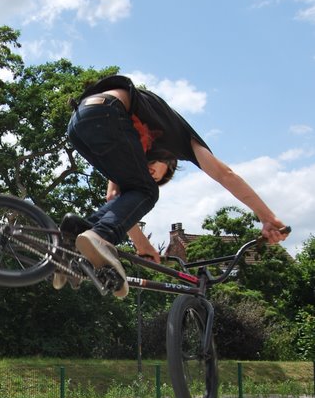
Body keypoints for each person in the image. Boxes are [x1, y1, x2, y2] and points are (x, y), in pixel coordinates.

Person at [54, 73, 289, 297]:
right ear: (170, 162)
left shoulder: (127, 144)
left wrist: (142, 243)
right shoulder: (182, 139)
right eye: (158, 173)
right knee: (146, 191)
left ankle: (72, 234)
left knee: (137, 191)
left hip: (78, 125)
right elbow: (224, 174)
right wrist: (267, 216)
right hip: (105, 111)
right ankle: (99, 235)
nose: (151, 173)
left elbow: (114, 198)